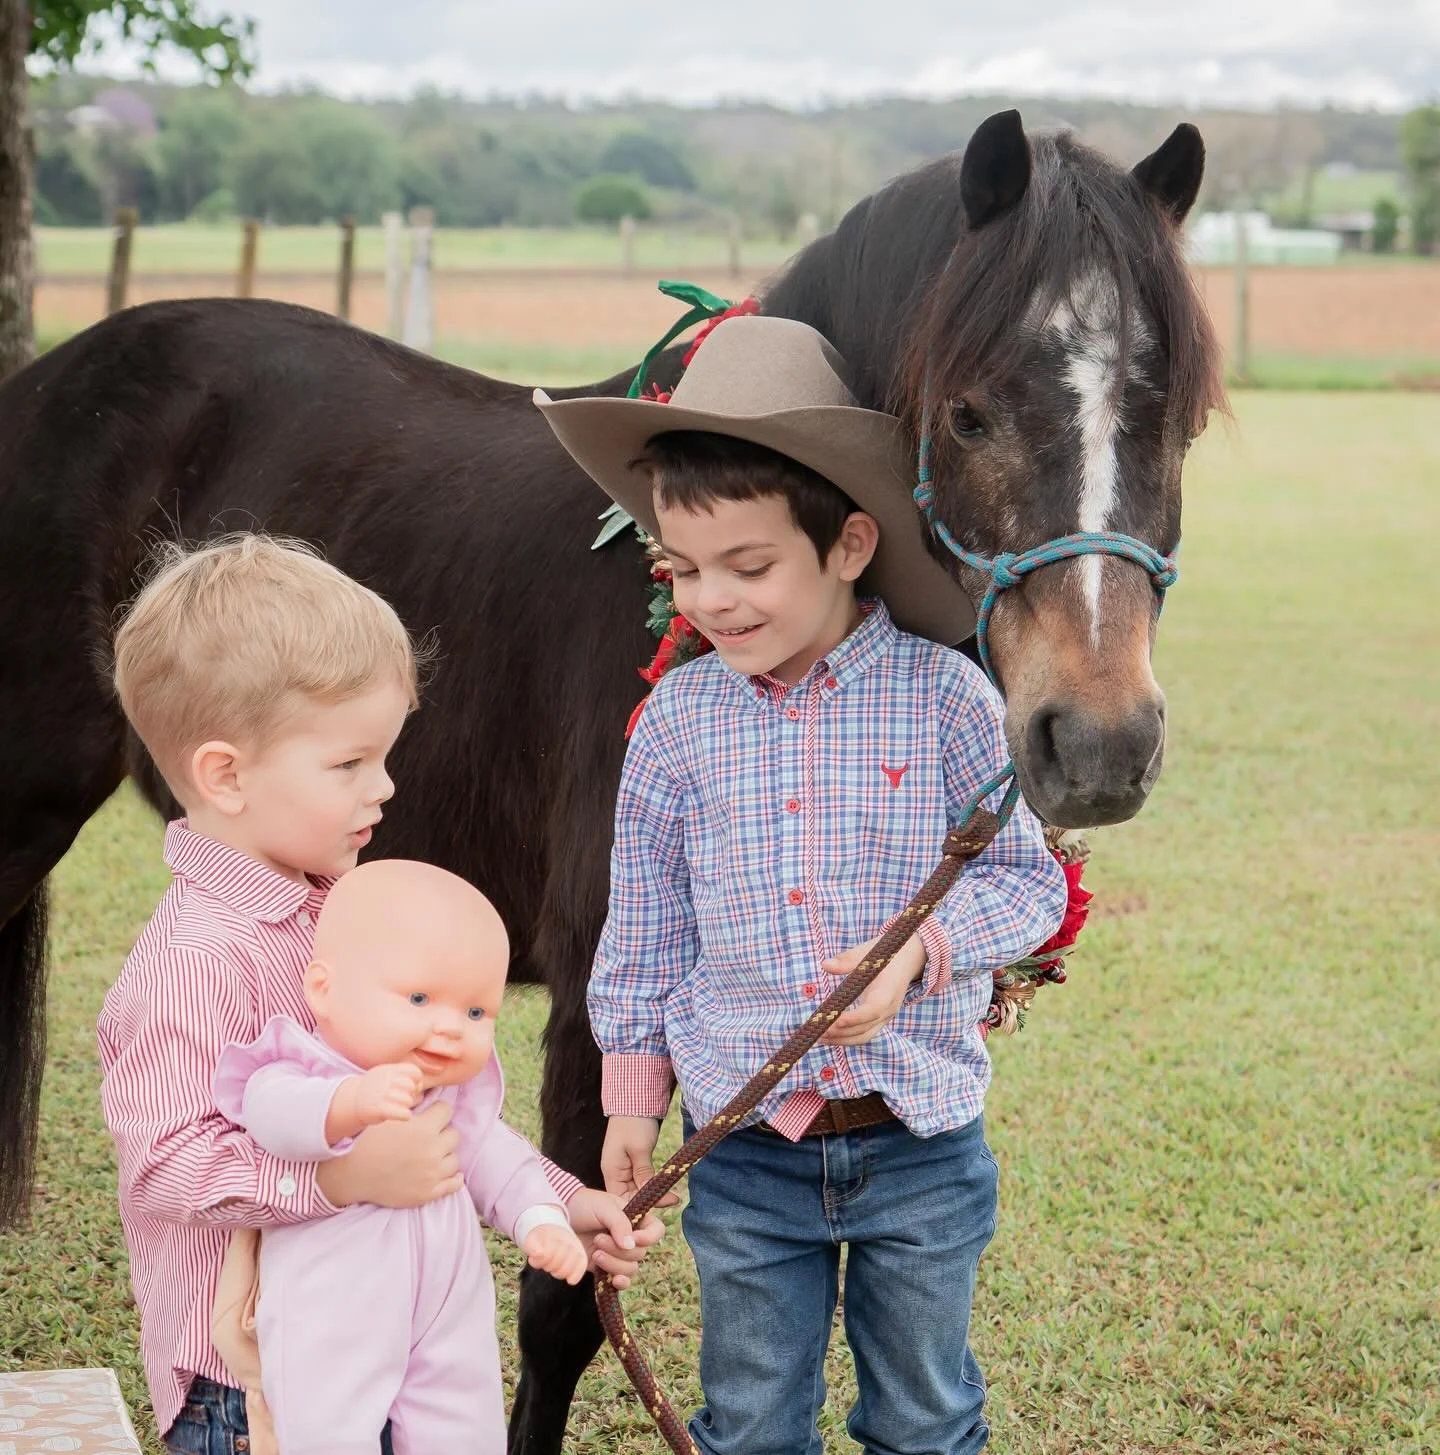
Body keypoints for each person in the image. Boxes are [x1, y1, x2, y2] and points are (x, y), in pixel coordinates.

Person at [535, 315, 1067, 1455]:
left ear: (849, 544)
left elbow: (1030, 888)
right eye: (682, 570)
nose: (712, 601)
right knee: (752, 1423)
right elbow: (646, 928)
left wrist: (923, 954)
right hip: (744, 1153)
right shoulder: (677, 723)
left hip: (920, 1143)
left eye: (749, 565)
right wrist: (632, 1101)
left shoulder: (947, 702)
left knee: (927, 1418)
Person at [99, 535, 660, 1454]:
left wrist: (559, 1196)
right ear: (225, 775)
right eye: (349, 764)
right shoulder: (192, 963)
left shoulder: (345, 908)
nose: (386, 786)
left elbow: (444, 1120)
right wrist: (336, 1179)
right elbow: (166, 1168)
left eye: (384, 756)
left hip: (392, 1351)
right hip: (251, 1380)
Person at [211, 858, 586, 1455]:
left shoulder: (450, 1099)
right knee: (326, 1424)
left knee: (464, 1416)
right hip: (334, 1305)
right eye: (419, 997)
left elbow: (500, 1163)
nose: (450, 1029)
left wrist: (541, 1219)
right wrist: (348, 1104)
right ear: (323, 991)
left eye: (475, 1012)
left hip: (447, 1306)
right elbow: (272, 1117)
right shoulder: (300, 1068)